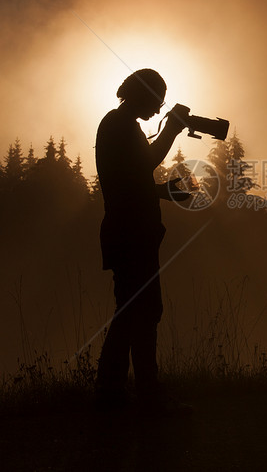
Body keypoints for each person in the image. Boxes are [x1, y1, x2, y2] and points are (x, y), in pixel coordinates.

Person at [94, 68, 191, 415]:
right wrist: (173, 129)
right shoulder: (120, 127)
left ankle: (112, 391)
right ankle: (145, 394)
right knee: (144, 311)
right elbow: (148, 162)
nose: (158, 108)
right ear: (143, 95)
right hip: (131, 233)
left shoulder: (117, 125)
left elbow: (129, 180)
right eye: (157, 100)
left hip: (127, 231)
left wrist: (162, 192)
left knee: (131, 310)